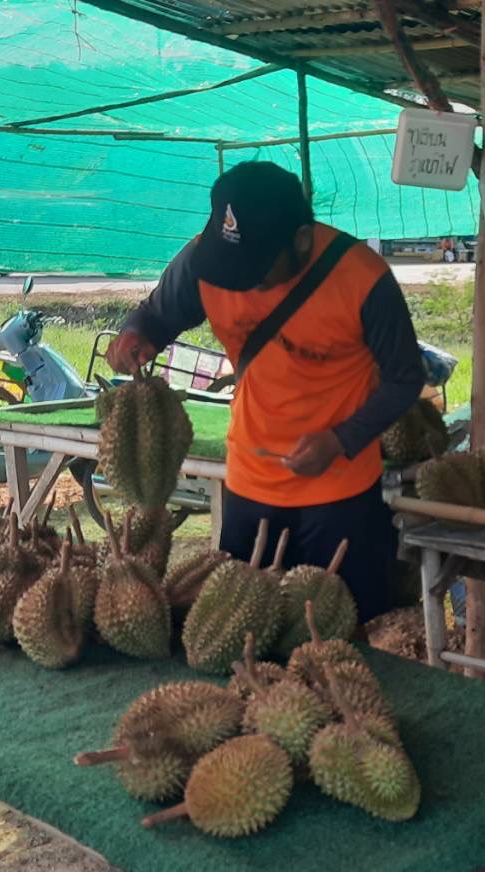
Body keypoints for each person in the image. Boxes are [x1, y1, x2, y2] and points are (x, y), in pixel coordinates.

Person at [107, 162, 424, 623]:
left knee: (340, 630)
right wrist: (137, 333)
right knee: (242, 630)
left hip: (339, 495)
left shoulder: (362, 278)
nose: (237, 280)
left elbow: (404, 379)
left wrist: (341, 440)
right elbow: (157, 314)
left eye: (254, 268)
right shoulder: (206, 260)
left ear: (301, 240)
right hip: (249, 482)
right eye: (229, 265)